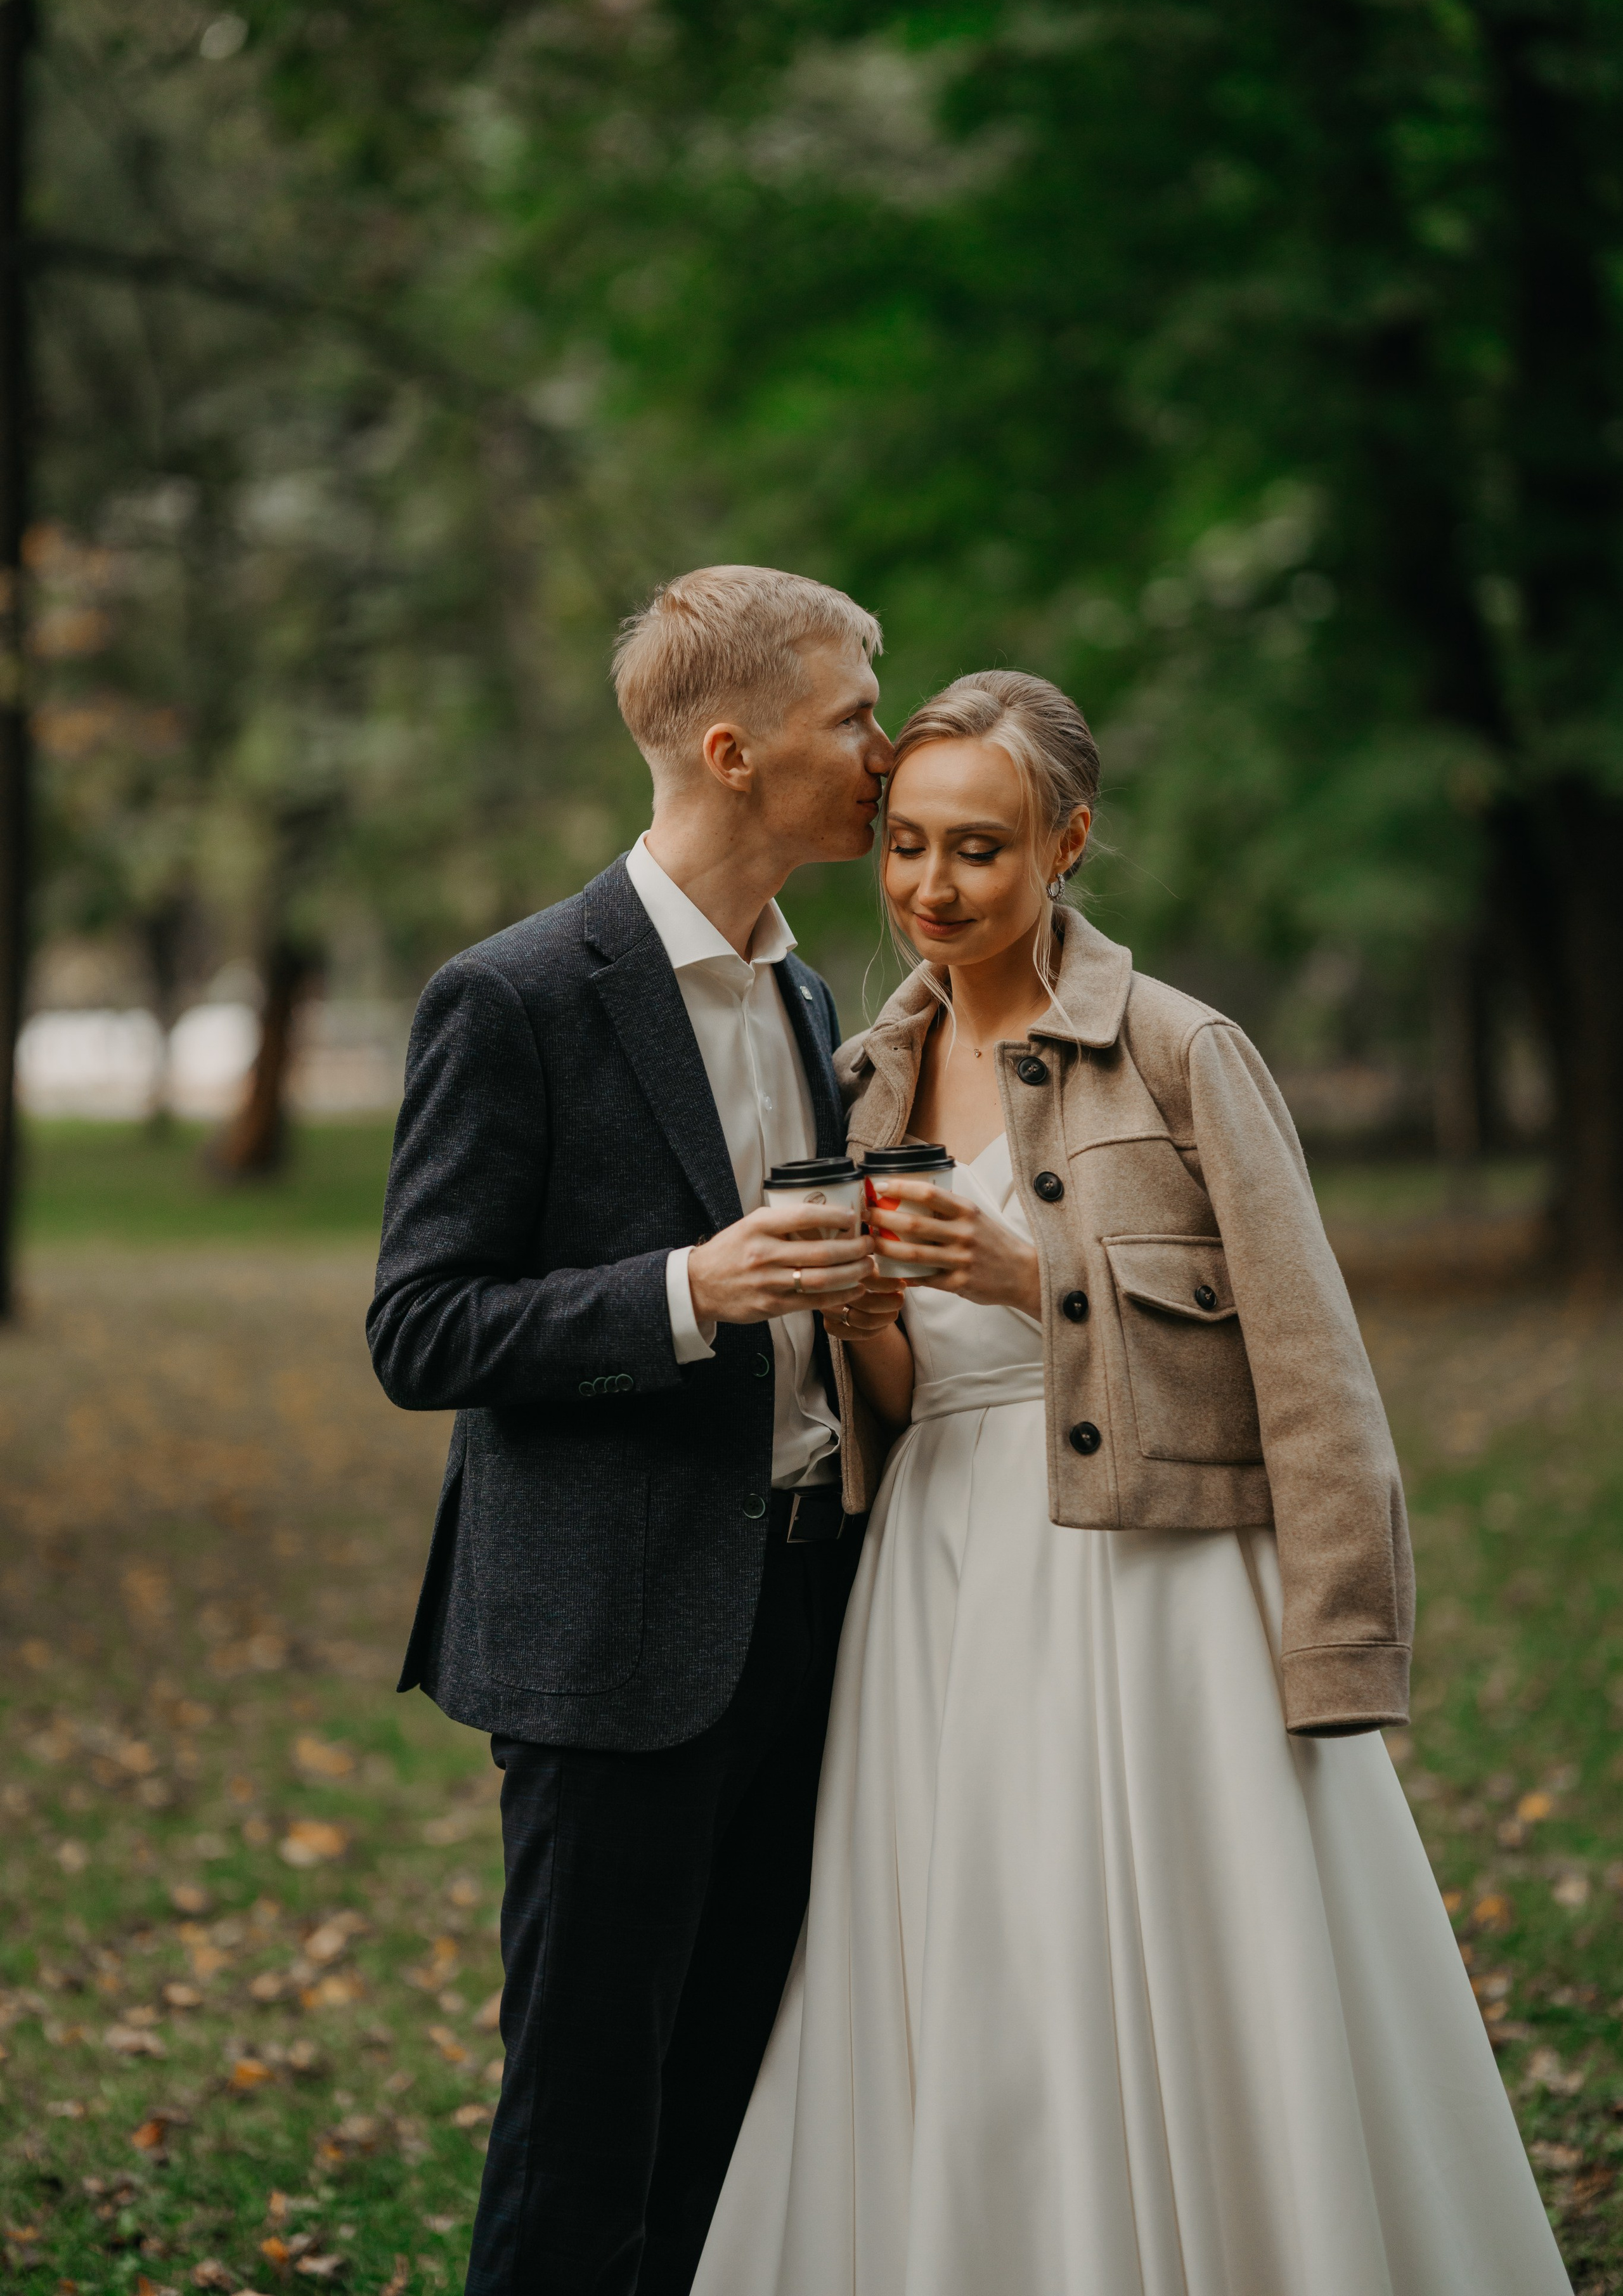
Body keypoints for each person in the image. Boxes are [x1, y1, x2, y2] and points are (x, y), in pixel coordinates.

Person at [693, 669, 1572, 2296]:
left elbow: (1305, 1364)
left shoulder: (1175, 1050)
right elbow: (898, 1400)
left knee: (1178, 1965)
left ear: (1068, 845)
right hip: (936, 1584)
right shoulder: (864, 1076)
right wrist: (872, 1319)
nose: (929, 890)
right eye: (902, 845)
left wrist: (1034, 1280)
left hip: (1147, 1583)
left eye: (980, 850)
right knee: (975, 1970)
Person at [368, 565, 896, 2296]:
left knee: (733, 2111)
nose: (884, 752)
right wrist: (692, 1290)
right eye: (854, 720)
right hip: (611, 1648)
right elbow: (422, 1328)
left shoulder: (813, 1000)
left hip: (807, 1621)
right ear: (737, 752)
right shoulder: (515, 996)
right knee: (584, 2128)